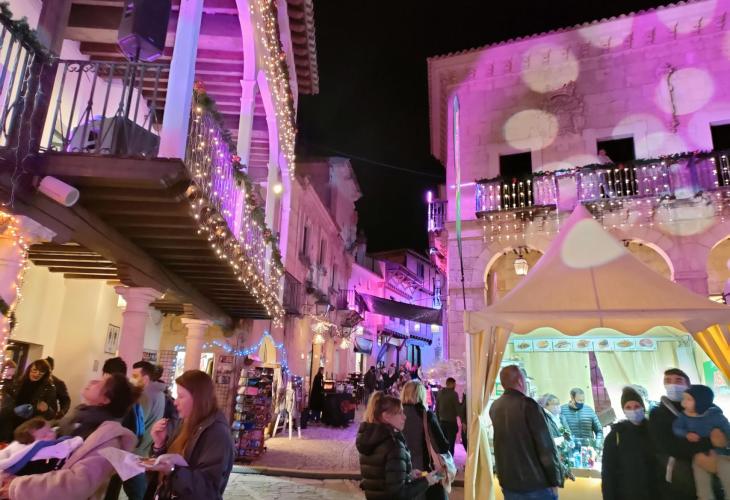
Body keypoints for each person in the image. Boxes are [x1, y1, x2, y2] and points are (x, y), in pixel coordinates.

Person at [3, 373, 139, 499]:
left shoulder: (107, 439)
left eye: (100, 382)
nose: (92, 381)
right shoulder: (76, 419)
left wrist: (18, 486)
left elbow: (77, 484)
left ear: (105, 399)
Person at [148, 370, 234, 499]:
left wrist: (173, 471)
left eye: (181, 396)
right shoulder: (186, 423)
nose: (175, 402)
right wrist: (159, 445)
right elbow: (167, 465)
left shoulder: (217, 433)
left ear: (198, 399)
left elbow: (207, 489)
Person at [649, 368, 722, 500]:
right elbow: (669, 446)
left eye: (678, 381)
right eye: (668, 381)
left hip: (712, 477)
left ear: (688, 385)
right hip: (679, 481)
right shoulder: (657, 414)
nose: (672, 385)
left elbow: (722, 431)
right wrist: (708, 442)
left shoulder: (706, 406)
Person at [489, 365, 561, 500]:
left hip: (509, 481)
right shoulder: (528, 405)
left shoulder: (495, 406)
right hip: (535, 482)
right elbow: (545, 446)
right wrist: (555, 479)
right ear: (520, 381)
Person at [357, 391, 439, 499]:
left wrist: (407, 475)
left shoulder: (369, 440)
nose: (404, 417)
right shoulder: (394, 446)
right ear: (386, 416)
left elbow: (380, 478)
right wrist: (427, 481)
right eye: (400, 413)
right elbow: (399, 495)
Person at [105, 361, 166, 500]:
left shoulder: (143, 395)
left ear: (145, 378)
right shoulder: (160, 393)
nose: (132, 379)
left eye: (135, 376)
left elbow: (136, 424)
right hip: (144, 449)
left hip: (133, 451)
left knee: (135, 491)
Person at [672, 384, 730, 499]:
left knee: (727, 476)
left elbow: (727, 429)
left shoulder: (715, 415)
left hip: (721, 454)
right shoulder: (684, 416)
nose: (684, 402)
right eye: (684, 398)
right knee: (701, 482)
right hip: (699, 455)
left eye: (689, 399)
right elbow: (677, 428)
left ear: (701, 402)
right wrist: (686, 434)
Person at [602, 386, 658, 500]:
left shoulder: (654, 431)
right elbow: (608, 473)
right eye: (628, 407)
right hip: (626, 494)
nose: (633, 410)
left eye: (636, 406)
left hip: (654, 493)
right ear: (623, 410)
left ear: (643, 407)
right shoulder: (615, 436)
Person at [401, 380, 450, 500]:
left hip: (402, 471)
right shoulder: (426, 415)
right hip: (425, 473)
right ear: (421, 395)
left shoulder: (396, 415)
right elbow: (442, 447)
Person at [0, 417, 83, 477]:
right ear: (31, 444)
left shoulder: (54, 439)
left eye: (50, 430)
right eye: (44, 436)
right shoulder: (34, 459)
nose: (51, 434)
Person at [4, 360, 57, 433]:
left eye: (41, 372)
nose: (37, 374)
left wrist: (47, 409)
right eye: (35, 370)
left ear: (45, 373)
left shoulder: (49, 388)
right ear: (29, 369)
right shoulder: (19, 381)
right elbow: (9, 395)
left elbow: (52, 414)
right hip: (10, 421)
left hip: (28, 427)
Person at [435, 378, 460, 455]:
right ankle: (450, 459)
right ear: (452, 384)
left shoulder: (439, 393)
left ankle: (444, 459)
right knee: (451, 444)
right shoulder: (454, 394)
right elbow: (458, 409)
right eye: (454, 384)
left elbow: (436, 408)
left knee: (443, 443)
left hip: (441, 422)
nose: (455, 386)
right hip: (451, 423)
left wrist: (438, 421)